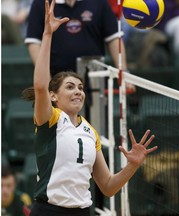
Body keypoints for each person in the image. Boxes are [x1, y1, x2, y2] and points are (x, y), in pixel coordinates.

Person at [22, 1, 157, 215]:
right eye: (70, 87)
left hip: (83, 211)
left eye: (80, 87)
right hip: (48, 211)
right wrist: (47, 35)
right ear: (53, 95)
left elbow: (109, 186)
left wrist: (132, 165)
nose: (78, 91)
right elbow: (40, 86)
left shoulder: (90, 131)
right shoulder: (50, 119)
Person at [24, 0, 135, 92]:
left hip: (95, 80)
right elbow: (34, 43)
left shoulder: (99, 2)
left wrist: (123, 73)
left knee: (96, 117)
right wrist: (46, 79)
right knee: (60, 118)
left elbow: (114, 38)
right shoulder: (42, 3)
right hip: (57, 81)